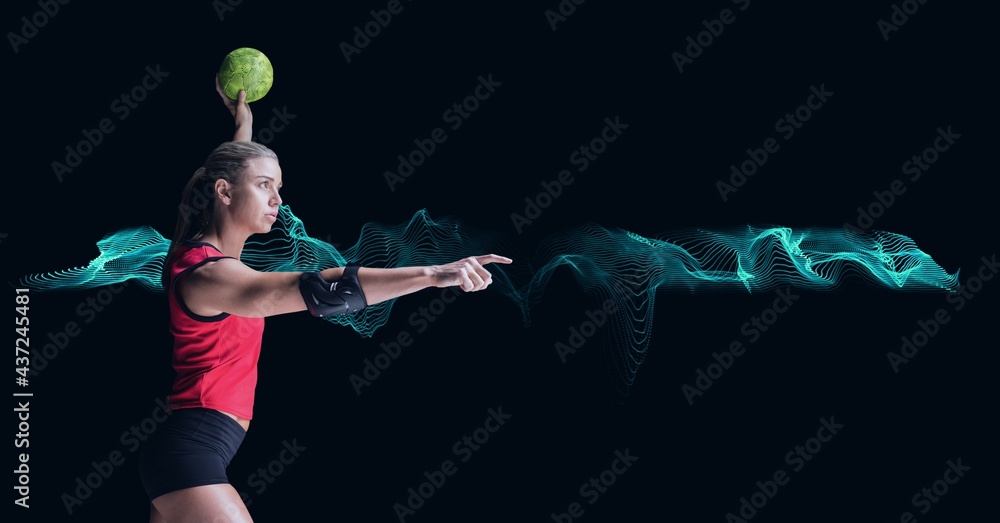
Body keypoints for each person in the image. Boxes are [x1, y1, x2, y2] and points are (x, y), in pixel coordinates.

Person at [137, 78, 512, 523]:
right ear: (223, 192)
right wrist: (433, 274)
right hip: (191, 452)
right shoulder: (209, 276)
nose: (277, 199)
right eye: (264, 186)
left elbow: (226, 180)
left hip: (195, 449)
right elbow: (322, 290)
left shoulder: (199, 253)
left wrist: (244, 126)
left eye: (278, 186)